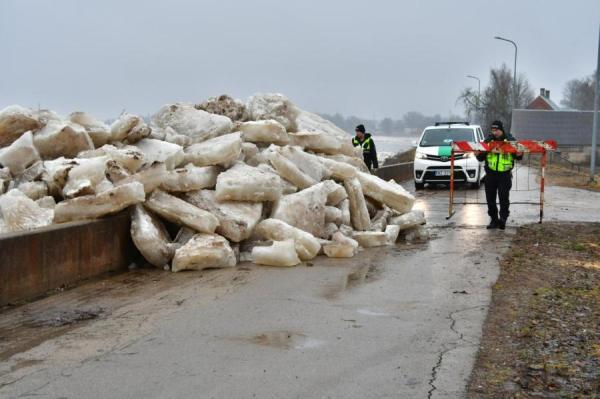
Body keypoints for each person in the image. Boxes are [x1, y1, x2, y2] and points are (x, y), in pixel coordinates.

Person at [476, 120, 523, 230]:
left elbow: (518, 157)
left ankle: (503, 219)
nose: (494, 132)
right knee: (490, 199)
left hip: (504, 175)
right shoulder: (487, 141)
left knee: (503, 198)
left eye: (496, 130)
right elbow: (481, 158)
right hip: (490, 174)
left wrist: (519, 154)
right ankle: (493, 219)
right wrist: (477, 154)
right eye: (493, 130)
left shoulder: (510, 140)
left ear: (501, 130)